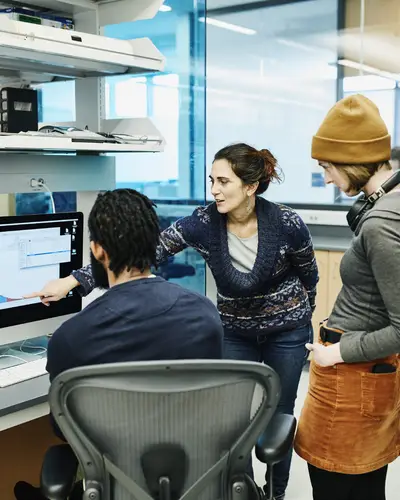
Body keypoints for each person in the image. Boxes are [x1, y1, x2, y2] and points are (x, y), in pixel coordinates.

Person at [27, 143, 319, 500]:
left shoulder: (286, 223)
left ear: (250, 187)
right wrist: (75, 280)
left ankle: (275, 493)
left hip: (288, 329)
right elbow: (144, 250)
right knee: (230, 415)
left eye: (223, 181)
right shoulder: (204, 222)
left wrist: (303, 318)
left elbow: (309, 276)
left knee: (279, 414)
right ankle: (229, 481)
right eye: (212, 180)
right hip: (234, 328)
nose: (214, 189)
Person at [16, 188, 224, 500]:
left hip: (119, 484)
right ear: (155, 245)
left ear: (97, 250)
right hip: (196, 479)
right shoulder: (205, 314)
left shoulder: (71, 338)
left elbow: (65, 430)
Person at [294, 94, 400, 500]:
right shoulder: (388, 205)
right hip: (363, 380)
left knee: (339, 487)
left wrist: (333, 354)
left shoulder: (382, 223)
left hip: (352, 383)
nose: (325, 178)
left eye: (326, 166)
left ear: (352, 160)